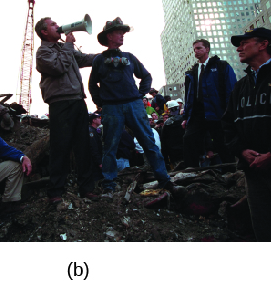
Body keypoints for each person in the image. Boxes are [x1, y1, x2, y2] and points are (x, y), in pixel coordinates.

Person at [87, 17, 184, 196]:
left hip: (133, 105)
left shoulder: (129, 57)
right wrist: (100, 102)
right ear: (109, 36)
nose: (122, 35)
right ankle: (109, 185)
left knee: (149, 143)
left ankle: (164, 181)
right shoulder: (99, 61)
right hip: (112, 108)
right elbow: (92, 85)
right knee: (110, 147)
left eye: (123, 32)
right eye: (118, 32)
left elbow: (146, 76)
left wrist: (140, 95)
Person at [222, 27, 271, 241]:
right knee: (267, 231)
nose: (239, 48)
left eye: (245, 42)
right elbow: (227, 124)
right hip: (254, 174)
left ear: (263, 44)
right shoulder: (241, 87)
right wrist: (242, 151)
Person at [34, 17, 101, 204]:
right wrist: (69, 45)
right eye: (53, 24)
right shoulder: (43, 53)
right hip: (60, 104)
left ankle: (86, 188)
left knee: (83, 146)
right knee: (60, 147)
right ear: (44, 32)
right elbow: (58, 67)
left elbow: (84, 58)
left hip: (78, 101)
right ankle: (56, 191)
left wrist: (104, 56)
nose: (58, 26)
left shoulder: (64, 48)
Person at [179, 39, 237, 170]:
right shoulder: (192, 72)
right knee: (189, 139)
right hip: (197, 113)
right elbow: (189, 97)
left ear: (207, 49)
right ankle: (190, 173)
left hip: (218, 111)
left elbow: (230, 90)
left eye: (199, 48)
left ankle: (232, 172)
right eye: (194, 49)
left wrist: (229, 112)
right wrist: (186, 117)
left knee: (222, 142)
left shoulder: (221, 66)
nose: (196, 52)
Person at [88, 113, 103, 185]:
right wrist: (99, 162)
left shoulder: (95, 131)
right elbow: (93, 148)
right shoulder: (91, 132)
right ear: (93, 120)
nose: (100, 119)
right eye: (98, 118)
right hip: (93, 162)